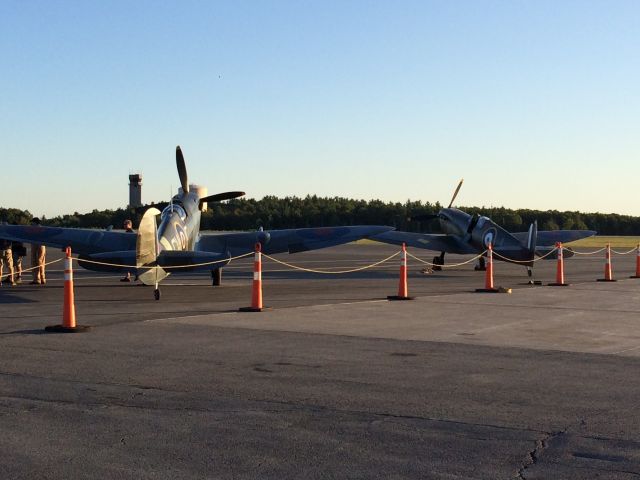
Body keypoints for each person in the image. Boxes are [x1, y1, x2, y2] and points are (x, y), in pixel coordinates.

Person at [29, 217, 46, 285]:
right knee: (41, 261)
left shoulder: (33, 229)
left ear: (35, 222)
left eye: (32, 222)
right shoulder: (42, 228)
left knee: (35, 261)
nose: (31, 223)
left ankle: (36, 279)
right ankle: (42, 278)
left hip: (35, 244)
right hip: (42, 245)